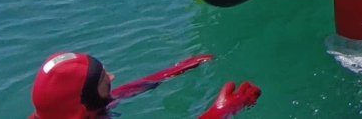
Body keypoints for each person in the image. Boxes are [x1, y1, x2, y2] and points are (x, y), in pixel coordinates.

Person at [29, 52, 260, 119]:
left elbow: (117, 95)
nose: (112, 77)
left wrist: (175, 70)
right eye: (103, 80)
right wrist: (223, 111)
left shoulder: (61, 111)